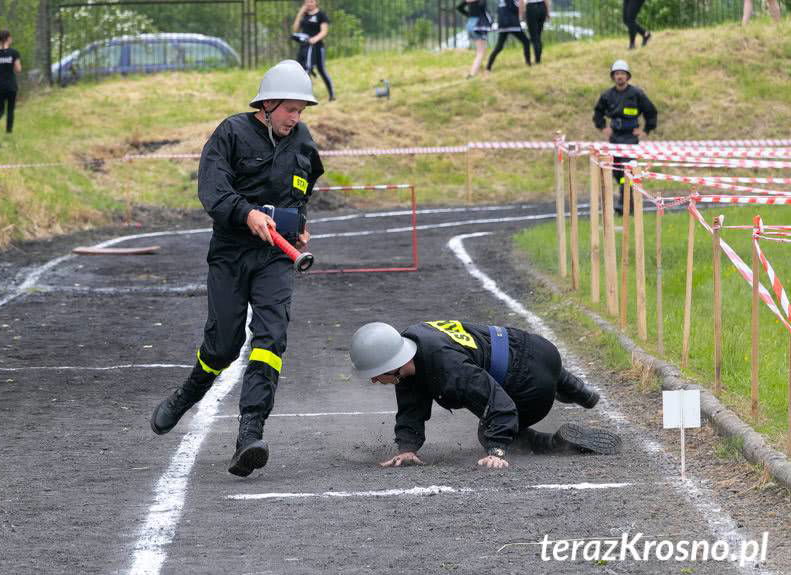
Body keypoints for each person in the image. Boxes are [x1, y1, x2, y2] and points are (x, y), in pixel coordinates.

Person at [150, 60, 325, 478]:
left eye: (301, 111)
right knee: (224, 345)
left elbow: (302, 192)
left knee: (270, 338)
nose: (296, 118)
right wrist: (246, 213)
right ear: (267, 104)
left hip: (275, 257)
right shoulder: (230, 133)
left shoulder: (303, 142)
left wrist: (300, 226)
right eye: (290, 110)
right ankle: (189, 392)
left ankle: (250, 432)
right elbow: (212, 190)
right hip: (230, 252)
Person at [349, 321, 622, 469]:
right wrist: (407, 449)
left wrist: (496, 449)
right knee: (518, 367)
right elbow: (412, 407)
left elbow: (498, 403)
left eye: (376, 373)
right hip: (537, 347)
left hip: (532, 383)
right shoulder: (413, 344)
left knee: (491, 430)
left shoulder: (447, 368)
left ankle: (557, 442)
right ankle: (576, 389)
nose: (374, 380)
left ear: (394, 364)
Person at [592, 60, 657, 214]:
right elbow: (598, 113)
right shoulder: (607, 95)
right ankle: (627, 201)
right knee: (617, 172)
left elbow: (651, 111)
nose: (619, 76)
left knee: (627, 171)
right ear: (613, 76)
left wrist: (646, 130)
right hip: (614, 139)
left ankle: (625, 205)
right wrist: (603, 127)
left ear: (627, 76)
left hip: (630, 139)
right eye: (617, 74)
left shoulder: (636, 94)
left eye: (622, 73)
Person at [293, 0, 335, 102]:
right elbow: (295, 29)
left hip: (317, 47)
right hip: (305, 47)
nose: (309, 3)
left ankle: (332, 94)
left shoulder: (321, 15)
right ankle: (306, 96)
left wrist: (314, 39)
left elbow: (324, 31)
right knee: (304, 70)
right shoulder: (305, 15)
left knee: (321, 70)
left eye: (311, 1)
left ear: (316, 2)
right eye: (307, 2)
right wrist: (300, 13)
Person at [0, 30, 21, 135]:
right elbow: (18, 69)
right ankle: (8, 132)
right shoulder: (14, 53)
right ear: (8, 38)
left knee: (0, 109)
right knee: (10, 109)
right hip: (11, 86)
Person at [487, 0, 531, 70]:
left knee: (499, 46)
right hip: (512, 24)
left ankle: (488, 66)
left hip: (503, 25)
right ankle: (528, 63)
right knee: (526, 42)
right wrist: (520, 11)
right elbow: (514, 7)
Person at [457, 0, 493, 78]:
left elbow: (459, 7)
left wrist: (468, 14)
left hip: (470, 23)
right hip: (479, 24)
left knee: (480, 51)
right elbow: (483, 8)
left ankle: (478, 70)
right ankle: (472, 74)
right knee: (481, 52)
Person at [520, 0, 551, 64]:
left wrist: (522, 14)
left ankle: (537, 59)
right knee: (538, 35)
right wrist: (548, 11)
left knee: (534, 36)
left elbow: (521, 1)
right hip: (542, 6)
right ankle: (538, 58)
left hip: (531, 7)